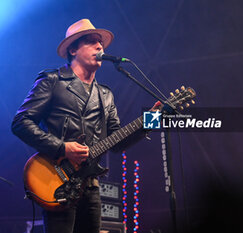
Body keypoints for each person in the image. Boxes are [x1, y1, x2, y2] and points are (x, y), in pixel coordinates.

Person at [11, 19, 153, 233]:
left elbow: (116, 142)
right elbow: (20, 122)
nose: (100, 46)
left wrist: (152, 121)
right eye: (91, 41)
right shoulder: (53, 81)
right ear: (73, 49)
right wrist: (62, 148)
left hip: (90, 187)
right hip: (57, 183)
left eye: (101, 43)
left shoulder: (105, 95)